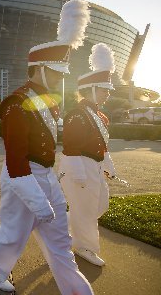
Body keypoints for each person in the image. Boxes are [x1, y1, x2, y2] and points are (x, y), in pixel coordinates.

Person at [0, 0, 94, 295]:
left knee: (59, 239)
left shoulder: (46, 101)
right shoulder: (16, 103)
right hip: (22, 176)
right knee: (13, 232)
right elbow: (16, 162)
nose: (60, 76)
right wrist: (38, 199)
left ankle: (76, 289)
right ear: (39, 69)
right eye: (56, 71)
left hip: (44, 174)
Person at [59, 43, 117, 267]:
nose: (108, 94)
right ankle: (85, 247)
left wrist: (108, 165)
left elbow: (102, 146)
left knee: (99, 205)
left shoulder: (101, 116)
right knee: (86, 209)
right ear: (92, 89)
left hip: (93, 166)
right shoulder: (77, 114)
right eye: (104, 90)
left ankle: (63, 225)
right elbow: (71, 146)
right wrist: (78, 173)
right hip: (77, 166)